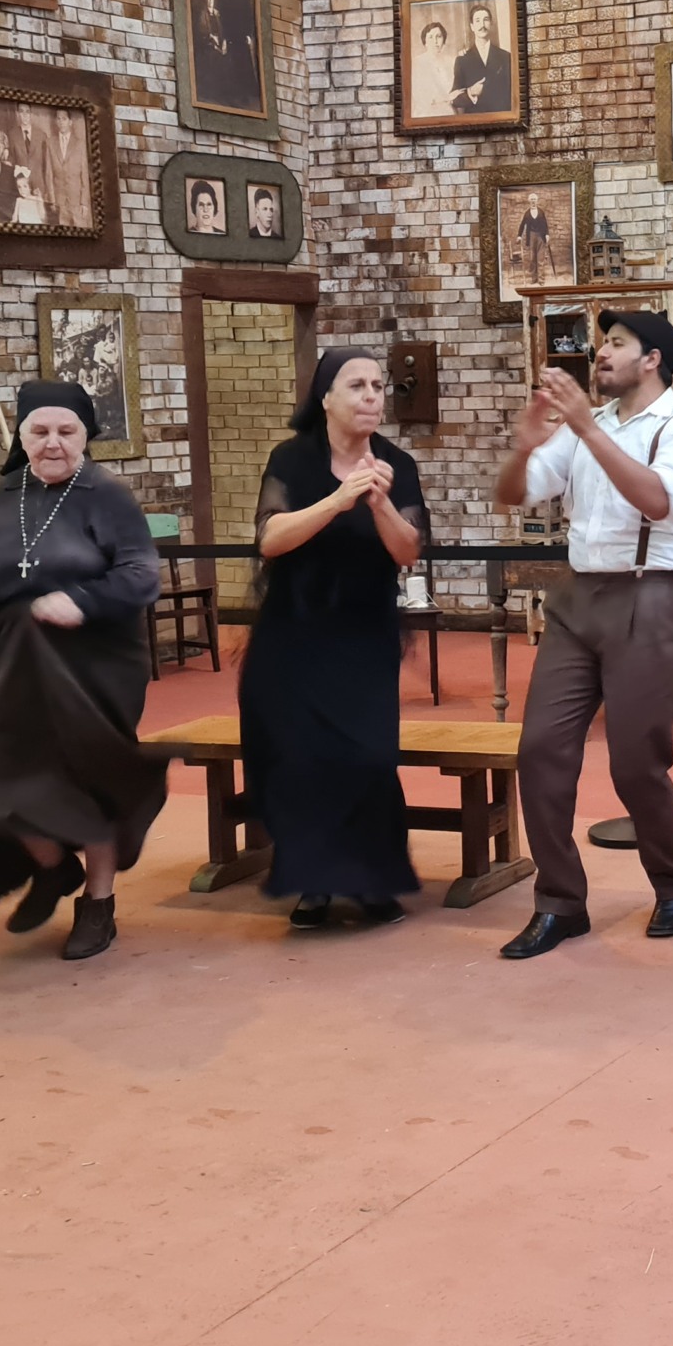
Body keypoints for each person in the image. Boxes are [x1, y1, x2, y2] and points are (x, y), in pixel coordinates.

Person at [492, 310, 673, 958]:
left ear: (653, 360)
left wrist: (584, 425)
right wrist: (528, 444)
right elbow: (515, 495)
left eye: (616, 344)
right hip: (577, 595)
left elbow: (657, 500)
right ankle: (561, 902)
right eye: (600, 344)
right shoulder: (589, 427)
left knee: (635, 762)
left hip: (653, 593)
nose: (600, 354)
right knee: (539, 749)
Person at [0, 383, 164, 961]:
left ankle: (98, 903)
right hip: (11, 662)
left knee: (90, 782)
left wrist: (82, 599)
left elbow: (141, 576)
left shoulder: (108, 497)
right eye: (40, 431)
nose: (53, 443)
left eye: (67, 432)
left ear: (87, 437)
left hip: (94, 663)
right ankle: (54, 867)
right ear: (21, 435)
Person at [242, 351, 428, 928]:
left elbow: (408, 550)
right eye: (357, 385)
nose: (372, 395)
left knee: (367, 756)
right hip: (293, 632)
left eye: (378, 385)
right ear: (325, 398)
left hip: (361, 631)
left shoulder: (396, 463)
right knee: (301, 757)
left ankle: (372, 883)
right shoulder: (292, 459)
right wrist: (338, 498)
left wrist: (376, 503)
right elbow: (270, 538)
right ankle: (314, 884)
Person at [450, 4, 513, 114]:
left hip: (502, 120)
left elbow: (514, 93)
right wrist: (471, 93)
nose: (482, 25)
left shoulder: (506, 57)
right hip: (476, 123)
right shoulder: (462, 60)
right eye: (477, 21)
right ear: (472, 26)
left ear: (491, 24)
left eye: (486, 20)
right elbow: (455, 100)